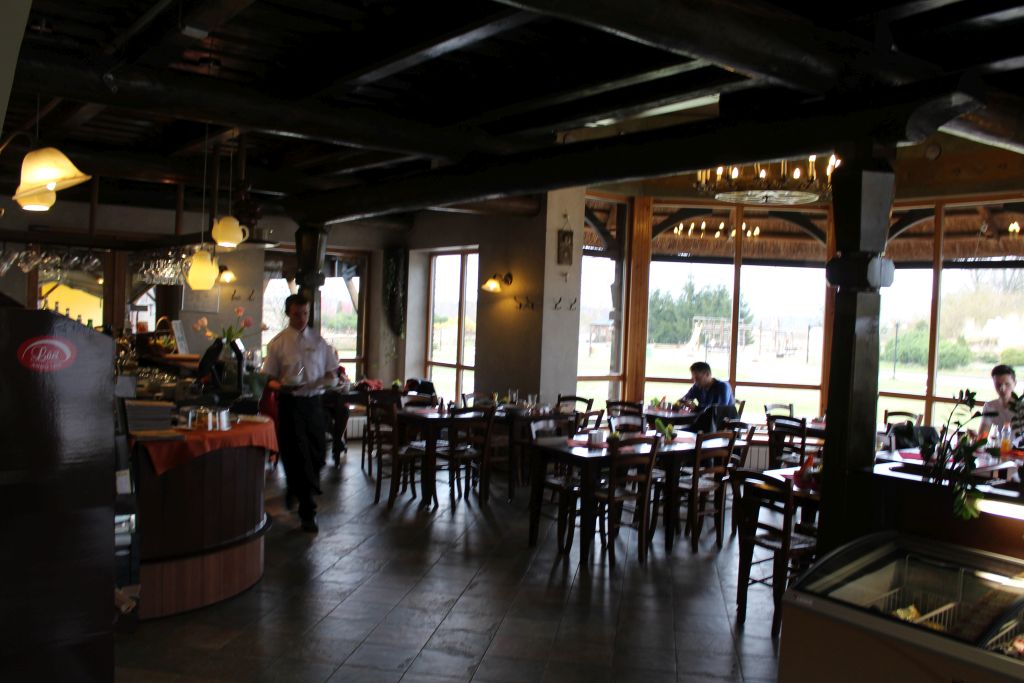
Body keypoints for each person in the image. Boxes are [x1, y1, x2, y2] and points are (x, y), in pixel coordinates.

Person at [263, 294, 338, 533]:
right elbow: (269, 380)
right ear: (288, 314)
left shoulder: (319, 341)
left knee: (317, 453)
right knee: (297, 454)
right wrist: (282, 387)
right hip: (290, 404)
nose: (301, 318)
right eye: (297, 313)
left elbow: (331, 372)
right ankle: (308, 511)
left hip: (314, 404)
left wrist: (330, 379)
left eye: (305, 313)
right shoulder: (278, 343)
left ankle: (295, 488)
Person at [979, 364, 1022, 439]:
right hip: (999, 448)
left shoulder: (1021, 406)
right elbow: (982, 436)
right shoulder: (990, 406)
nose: (1002, 388)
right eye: (998, 384)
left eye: (1007, 384)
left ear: (1014, 383)